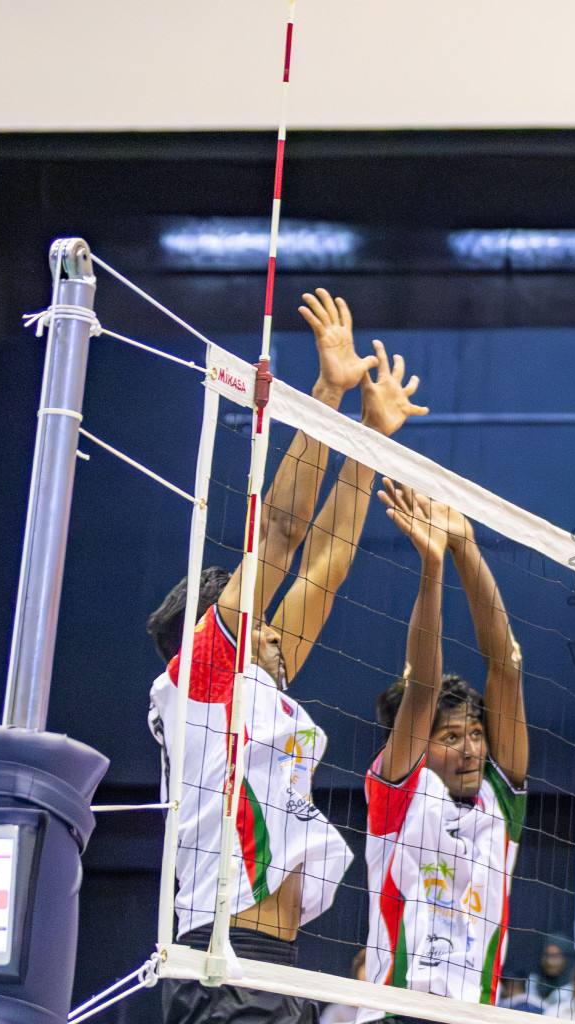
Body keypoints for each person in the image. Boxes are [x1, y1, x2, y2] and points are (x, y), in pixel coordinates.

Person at [147, 290, 426, 1024]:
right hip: (224, 964)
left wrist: (372, 434)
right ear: (220, 632)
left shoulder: (249, 689)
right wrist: (327, 392)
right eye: (259, 621)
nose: (275, 631)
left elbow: (327, 561)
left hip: (272, 969)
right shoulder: (204, 677)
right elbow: (279, 534)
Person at [360, 481, 529, 1020]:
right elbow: (424, 688)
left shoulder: (500, 807)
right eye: (451, 737)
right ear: (420, 745)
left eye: (475, 733)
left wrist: (465, 546)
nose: (471, 749)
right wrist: (432, 568)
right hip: (397, 1015)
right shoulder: (398, 798)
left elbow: (506, 664)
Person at [529, 936, 575, 1006]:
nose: (549, 962)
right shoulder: (532, 984)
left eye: (555, 956)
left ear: (567, 959)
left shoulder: (572, 991)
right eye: (546, 955)